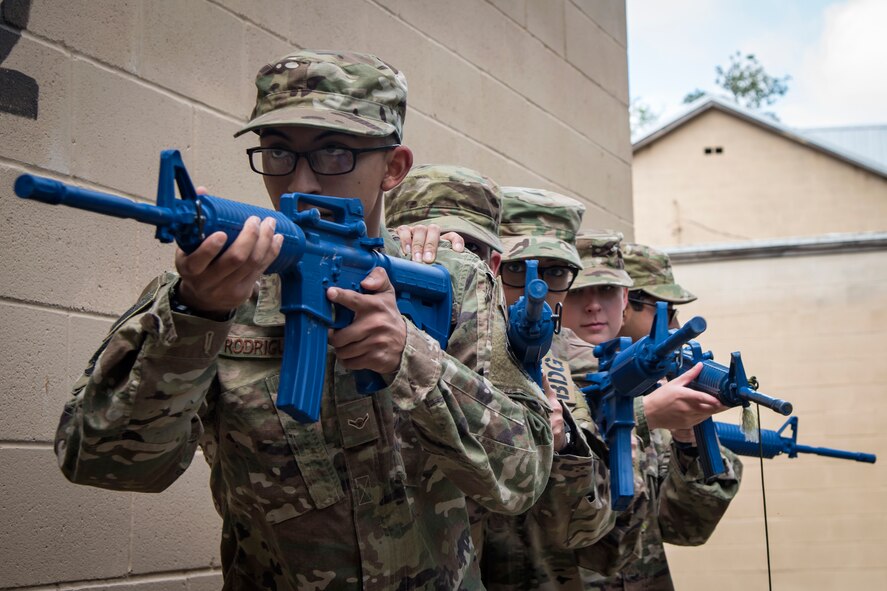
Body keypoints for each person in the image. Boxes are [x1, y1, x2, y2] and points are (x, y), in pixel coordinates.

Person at [53, 49, 554, 590]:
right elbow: (98, 460)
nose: (303, 182)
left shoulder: (454, 284)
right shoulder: (206, 294)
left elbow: (521, 478)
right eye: (278, 153)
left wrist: (410, 359)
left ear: (394, 167)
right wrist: (197, 316)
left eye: (335, 152)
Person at [388, 175, 622, 589]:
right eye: (520, 269)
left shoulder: (548, 362)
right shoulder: (361, 325)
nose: (539, 287)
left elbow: (589, 524)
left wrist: (562, 443)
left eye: (555, 272)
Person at [561, 234, 742, 590]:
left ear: (624, 300)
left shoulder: (655, 389)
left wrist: (688, 442)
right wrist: (644, 416)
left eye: (608, 292)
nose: (594, 306)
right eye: (578, 292)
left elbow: (683, 526)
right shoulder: (541, 378)